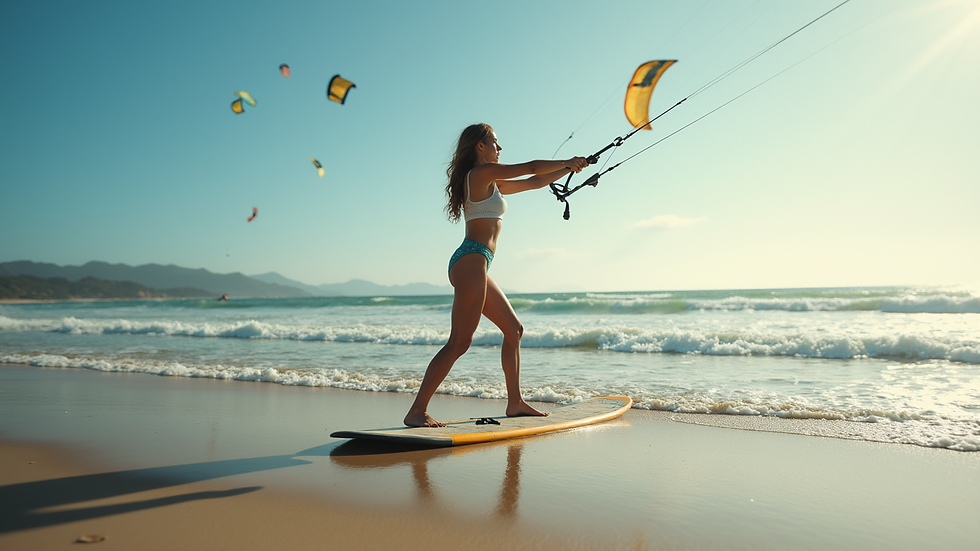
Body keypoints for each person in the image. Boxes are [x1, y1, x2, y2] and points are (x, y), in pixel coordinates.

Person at [404, 123, 588, 427]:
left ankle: (515, 403)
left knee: (514, 330)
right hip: (471, 261)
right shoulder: (480, 175)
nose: (499, 148)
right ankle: (417, 411)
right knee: (459, 343)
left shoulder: (490, 181)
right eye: (495, 142)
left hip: (476, 263)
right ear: (480, 146)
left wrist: (571, 169)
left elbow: (534, 181)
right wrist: (567, 161)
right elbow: (528, 167)